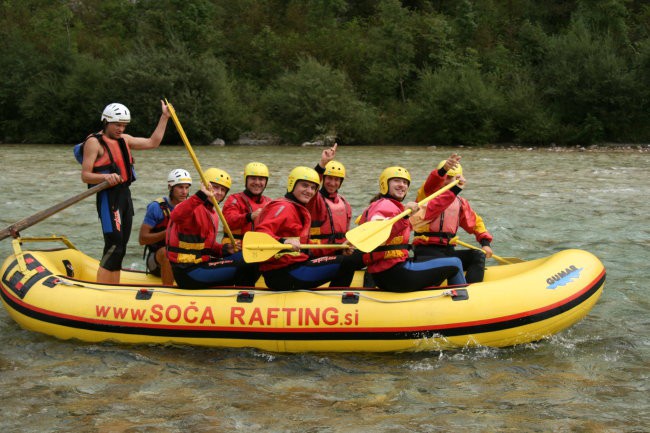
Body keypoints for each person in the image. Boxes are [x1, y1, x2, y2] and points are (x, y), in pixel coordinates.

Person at [81, 101, 170, 284]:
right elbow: (85, 176)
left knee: (121, 246)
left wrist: (165, 117)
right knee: (113, 244)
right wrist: (104, 178)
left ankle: (114, 288)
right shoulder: (93, 143)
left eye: (124, 125)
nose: (121, 129)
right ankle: (102, 288)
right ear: (106, 122)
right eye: (117, 125)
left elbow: (153, 142)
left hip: (124, 196)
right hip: (108, 197)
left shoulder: (125, 140)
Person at [356, 166, 467, 292]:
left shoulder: (394, 208)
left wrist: (454, 190)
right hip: (395, 273)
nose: (402, 185)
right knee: (455, 263)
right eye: (396, 181)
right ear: (384, 184)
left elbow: (431, 209)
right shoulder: (384, 206)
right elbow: (378, 232)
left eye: (405, 182)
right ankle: (462, 302)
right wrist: (404, 217)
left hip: (384, 274)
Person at [253, 166, 358, 291]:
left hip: (296, 266)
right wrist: (283, 241)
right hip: (283, 274)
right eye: (304, 185)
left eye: (313, 188)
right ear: (292, 184)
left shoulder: (298, 208)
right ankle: (337, 302)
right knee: (348, 262)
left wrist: (339, 249)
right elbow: (260, 235)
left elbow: (307, 249)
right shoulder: (283, 207)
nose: (309, 191)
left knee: (346, 258)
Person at [165, 168, 258, 289]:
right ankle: (243, 297)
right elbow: (176, 215)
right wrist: (201, 195)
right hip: (188, 271)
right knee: (248, 265)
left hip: (202, 265)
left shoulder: (213, 213)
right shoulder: (192, 206)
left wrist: (224, 249)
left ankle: (239, 291)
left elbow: (207, 245)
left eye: (223, 190)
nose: (219, 192)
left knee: (250, 257)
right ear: (205, 187)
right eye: (214, 187)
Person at [411, 155, 493, 283]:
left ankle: (473, 291)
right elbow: (432, 183)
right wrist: (443, 171)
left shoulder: (460, 203)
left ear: (458, 179)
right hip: (427, 251)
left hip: (448, 250)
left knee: (478, 256)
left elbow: (475, 223)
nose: (447, 181)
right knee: (451, 264)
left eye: (451, 178)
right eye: (445, 177)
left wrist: (485, 243)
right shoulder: (426, 195)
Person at [307, 144, 365, 287]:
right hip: (317, 253)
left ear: (341, 182)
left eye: (337, 179)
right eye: (329, 178)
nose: (333, 183)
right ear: (323, 178)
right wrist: (322, 164)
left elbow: (345, 233)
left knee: (368, 255)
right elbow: (311, 184)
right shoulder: (315, 200)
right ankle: (337, 293)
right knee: (349, 262)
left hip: (339, 251)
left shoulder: (344, 203)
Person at [138, 169, 192, 286]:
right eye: (180, 187)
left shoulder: (190, 207)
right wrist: (168, 233)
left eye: (187, 188)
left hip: (181, 257)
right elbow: (142, 239)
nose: (184, 192)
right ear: (170, 187)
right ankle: (167, 290)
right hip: (157, 259)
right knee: (167, 253)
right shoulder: (156, 207)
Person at [222, 162, 272, 244]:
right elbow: (228, 221)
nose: (257, 182)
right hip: (236, 248)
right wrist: (249, 216)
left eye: (261, 179)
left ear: (266, 182)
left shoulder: (269, 202)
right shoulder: (234, 199)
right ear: (246, 180)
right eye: (253, 178)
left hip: (260, 248)